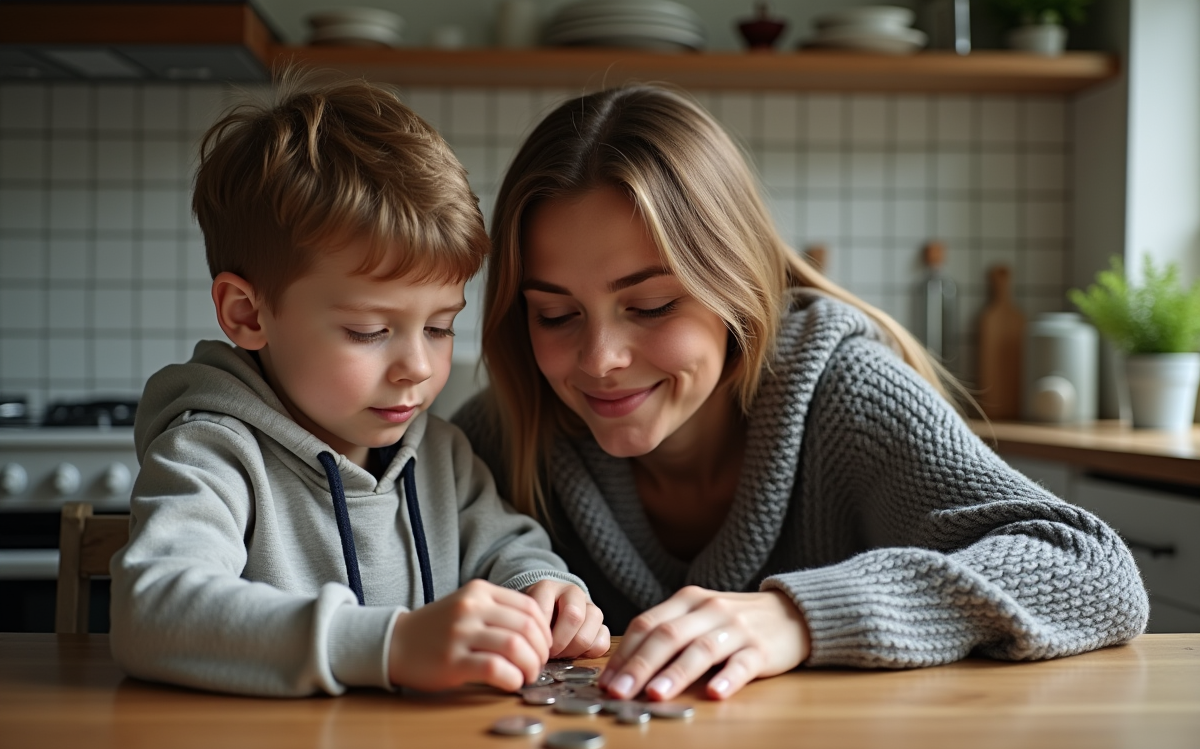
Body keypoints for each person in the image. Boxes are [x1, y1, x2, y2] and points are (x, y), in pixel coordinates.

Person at [453, 84, 1148, 704]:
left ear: (738, 290)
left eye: (653, 305)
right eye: (555, 314)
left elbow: (1092, 571)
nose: (600, 360)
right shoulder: (500, 431)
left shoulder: (846, 393)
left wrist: (801, 616)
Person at [109, 76, 609, 698]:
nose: (417, 367)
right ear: (247, 313)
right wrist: (390, 645)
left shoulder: (440, 457)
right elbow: (153, 612)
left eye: (440, 327)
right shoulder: (212, 454)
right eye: (369, 330)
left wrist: (542, 592)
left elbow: (504, 551)